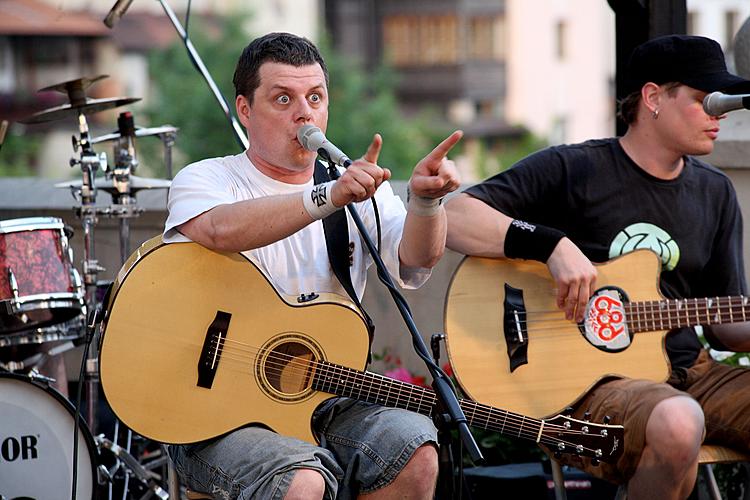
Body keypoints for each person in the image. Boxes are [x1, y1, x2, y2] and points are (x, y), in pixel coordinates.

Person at [445, 34, 750, 499]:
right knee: (678, 419)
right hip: (595, 389)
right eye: (702, 99)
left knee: (682, 410)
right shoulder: (575, 169)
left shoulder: (715, 192)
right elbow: (454, 216)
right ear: (652, 98)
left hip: (695, 375)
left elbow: (728, 326)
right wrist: (551, 245)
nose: (719, 114)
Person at [162, 32, 462, 499]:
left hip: (324, 399)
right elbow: (220, 230)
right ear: (245, 109)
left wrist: (426, 203)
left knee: (413, 449)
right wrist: (327, 196)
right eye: (283, 98)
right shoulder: (207, 178)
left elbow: (417, 260)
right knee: (301, 481)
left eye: (315, 97)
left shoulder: (356, 190)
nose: (305, 113)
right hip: (210, 410)